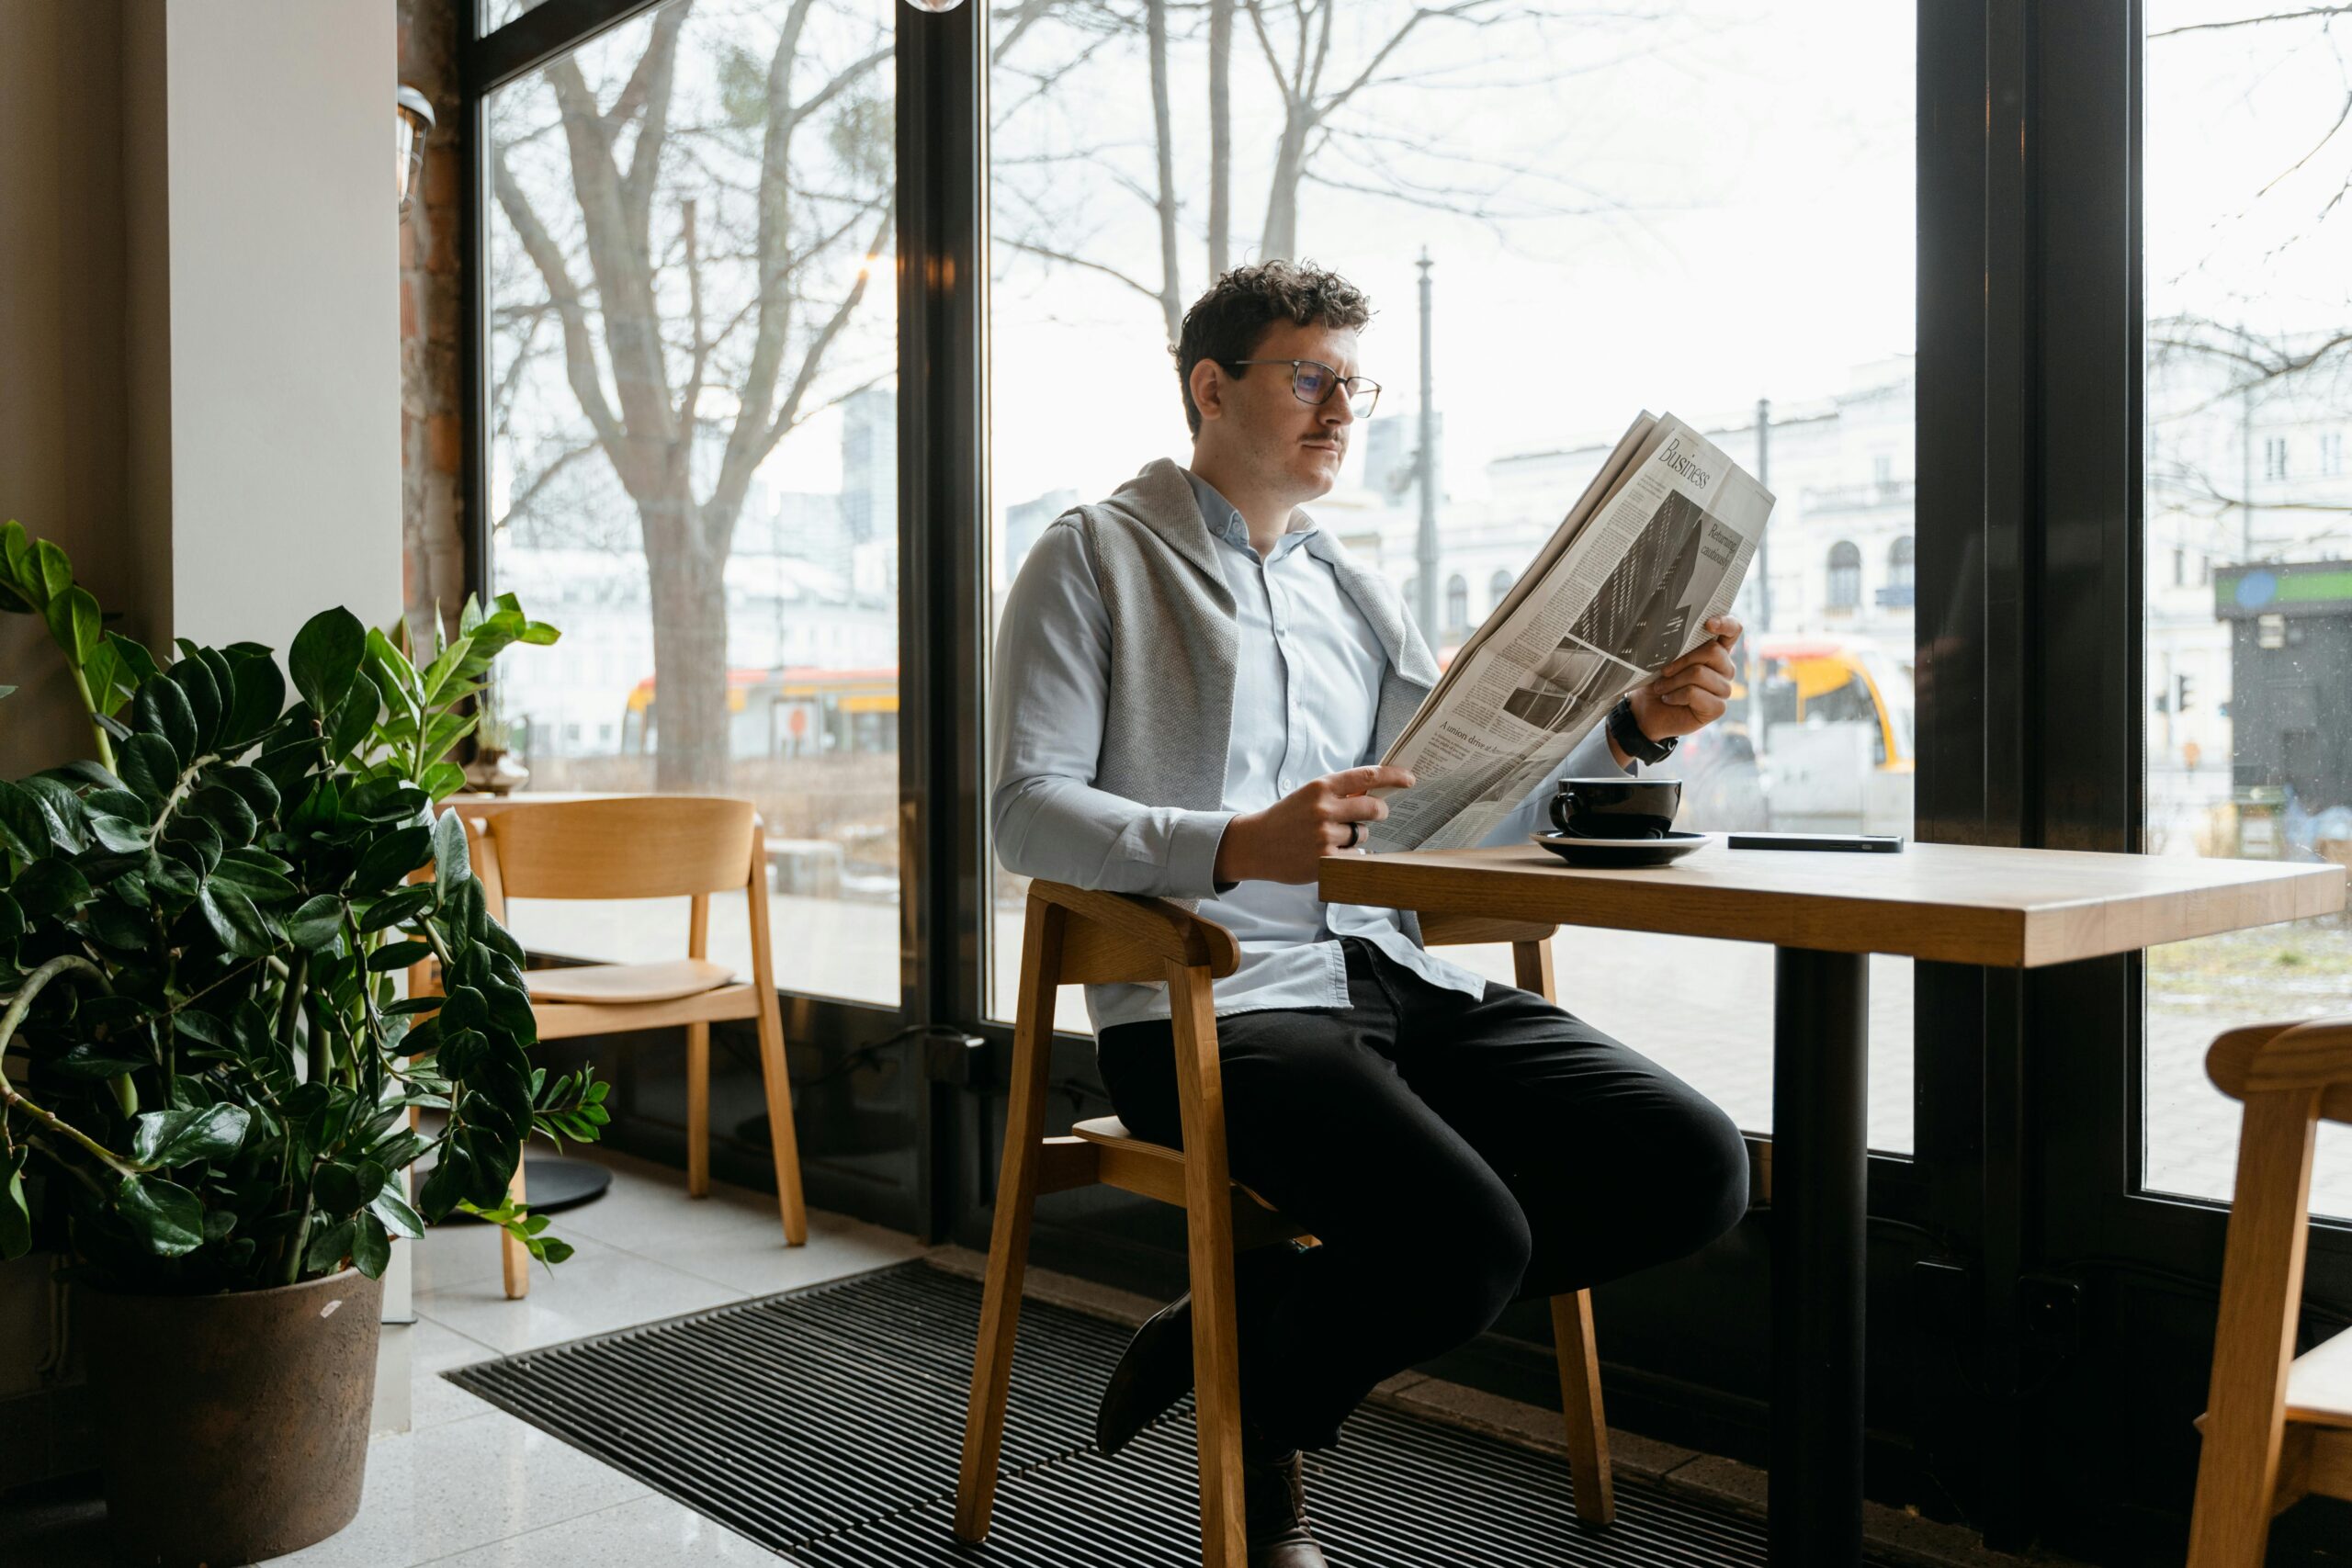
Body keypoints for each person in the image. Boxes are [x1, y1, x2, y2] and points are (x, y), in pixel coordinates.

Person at [989, 260, 1749, 1566]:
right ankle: (1269, 1439)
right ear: (1210, 388)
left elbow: (1445, 806)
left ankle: (1245, 1313)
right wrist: (1232, 842)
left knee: (1693, 1168)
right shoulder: (1093, 554)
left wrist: (1627, 730)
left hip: (1390, 977)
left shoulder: (1353, 590)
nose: (1340, 408)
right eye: (1309, 377)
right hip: (1214, 1000)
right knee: (1464, 1242)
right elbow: (1023, 809)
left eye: (1355, 383)